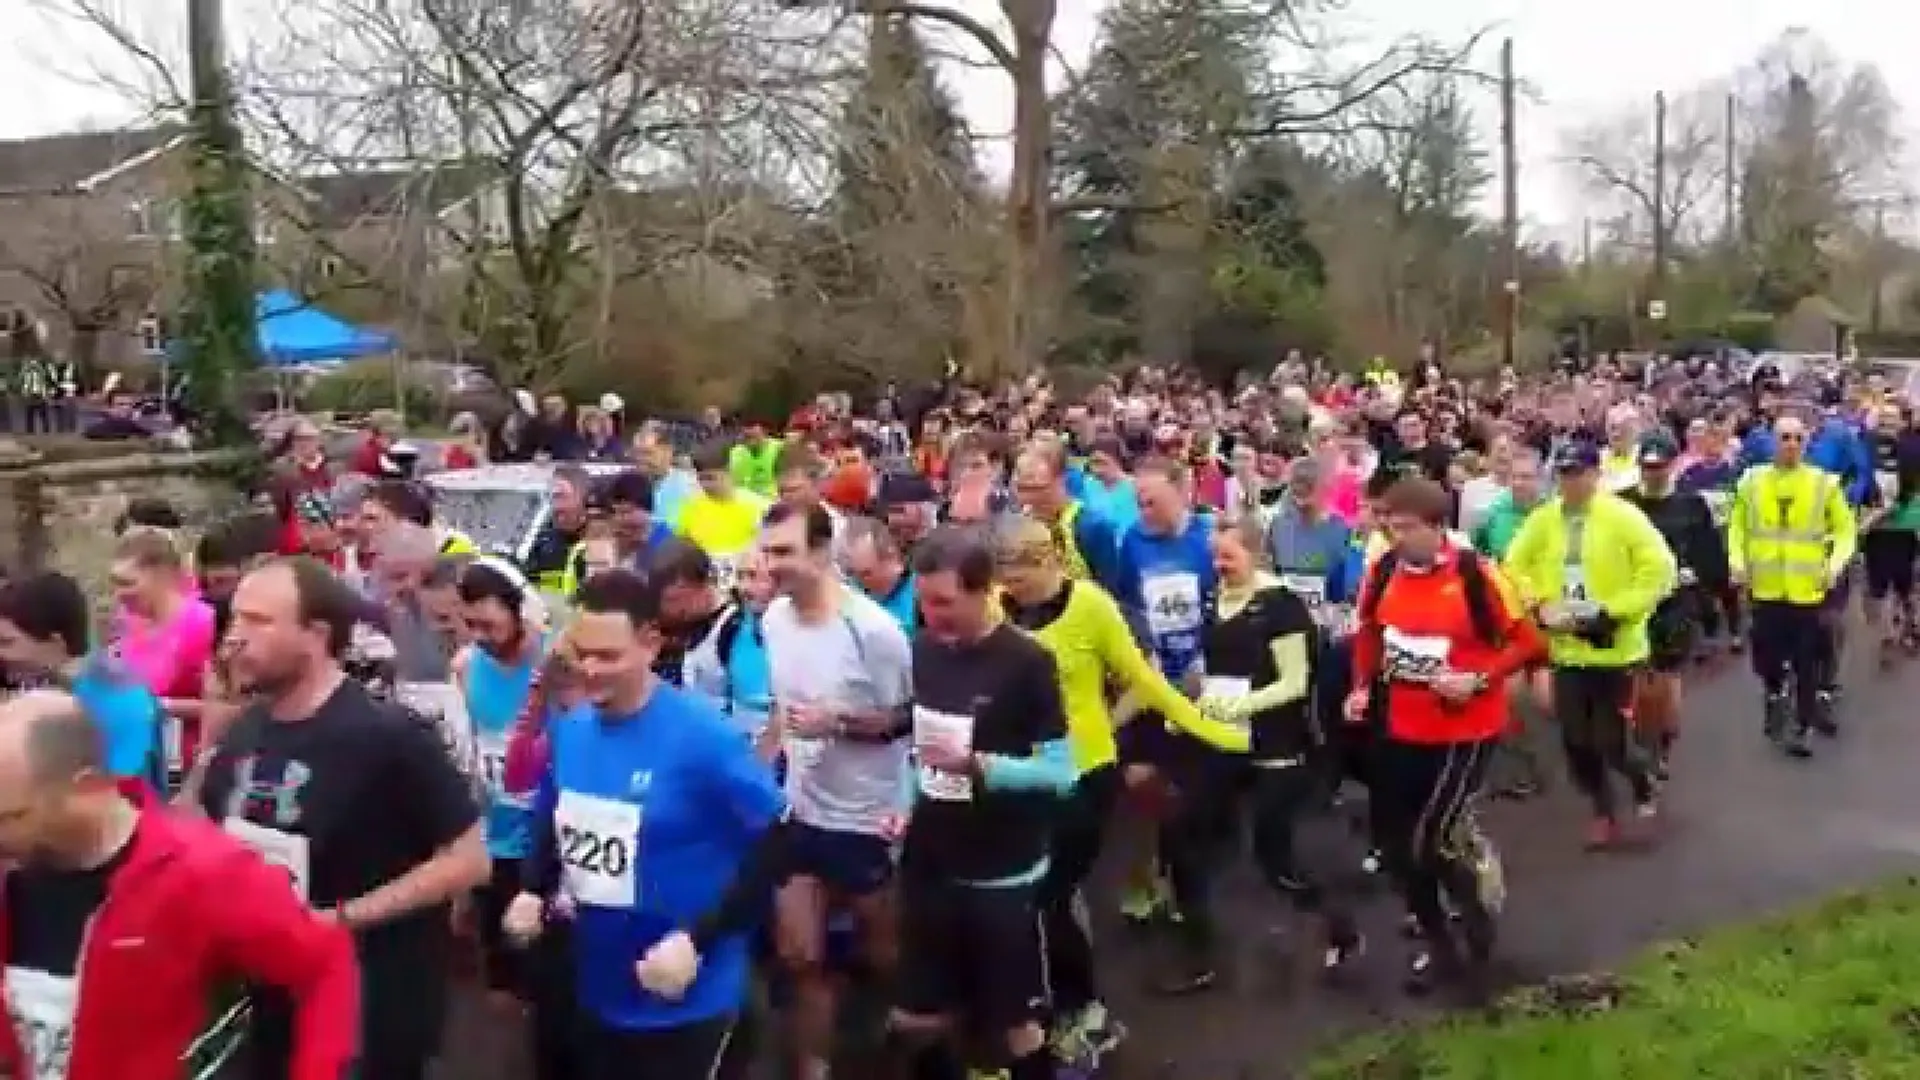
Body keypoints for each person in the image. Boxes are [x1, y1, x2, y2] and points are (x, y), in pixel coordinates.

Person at [194, 557, 490, 1080]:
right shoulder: (244, 731)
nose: (236, 637)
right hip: (275, 1001)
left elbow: (467, 862)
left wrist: (338, 919)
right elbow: (201, 834)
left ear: (316, 634)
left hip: (370, 1008)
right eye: (235, 619)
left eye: (259, 622)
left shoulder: (390, 735)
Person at [503, 569, 787, 1080]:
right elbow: (553, 815)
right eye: (581, 653)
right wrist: (531, 888)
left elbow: (776, 841)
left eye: (608, 656)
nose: (590, 670)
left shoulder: (703, 737)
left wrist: (696, 941)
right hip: (597, 987)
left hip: (688, 997)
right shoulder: (571, 731)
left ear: (650, 644)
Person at [0, 689, 359, 1080]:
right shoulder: (12, 869)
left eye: (8, 817)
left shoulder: (206, 872)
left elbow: (324, 965)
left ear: (85, 788)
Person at [1349, 478, 1544, 1000]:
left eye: (1406, 527)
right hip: (1403, 725)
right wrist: (1362, 687)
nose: (1394, 535)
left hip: (1467, 728)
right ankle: (1439, 942)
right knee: (1397, 847)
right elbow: (1368, 631)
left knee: (1429, 839)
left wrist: (1478, 679)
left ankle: (1477, 922)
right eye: (1388, 524)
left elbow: (1528, 642)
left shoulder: (1477, 575)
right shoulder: (1383, 570)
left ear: (1438, 528)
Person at [891, 526, 1074, 1080]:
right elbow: (917, 750)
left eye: (944, 602)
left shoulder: (1027, 662)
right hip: (931, 863)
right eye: (922, 601)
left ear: (983, 590)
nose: (931, 614)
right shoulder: (921, 649)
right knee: (918, 1017)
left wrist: (982, 767)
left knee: (1014, 1026)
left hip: (1002, 872)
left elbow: (1060, 773)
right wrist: (905, 805)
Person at [759, 502, 914, 1080]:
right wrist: (756, 777)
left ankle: (906, 1033)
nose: (770, 565)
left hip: (866, 816)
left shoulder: (874, 631)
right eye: (766, 551)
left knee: (881, 955)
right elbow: (784, 710)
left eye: (784, 552)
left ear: (823, 554)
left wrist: (840, 723)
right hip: (801, 811)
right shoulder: (773, 619)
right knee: (800, 957)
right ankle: (814, 1066)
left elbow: (908, 719)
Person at [1504, 442, 1675, 848]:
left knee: (1611, 741)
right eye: (1563, 474)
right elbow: (1513, 565)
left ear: (1595, 475)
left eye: (1578, 473)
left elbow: (1659, 569)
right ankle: (1602, 811)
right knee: (1576, 742)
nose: (1570, 482)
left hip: (1615, 650)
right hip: (1567, 649)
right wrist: (1538, 604)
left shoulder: (1622, 516)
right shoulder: (1544, 521)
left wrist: (1612, 611)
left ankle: (1641, 779)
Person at [1728, 413, 1859, 756]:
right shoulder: (1751, 482)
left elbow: (1846, 532)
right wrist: (1738, 564)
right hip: (1765, 587)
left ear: (1806, 444)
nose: (1791, 445)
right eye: (1784, 437)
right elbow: (1736, 528)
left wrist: (1834, 566)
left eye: (1798, 439)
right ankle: (1774, 695)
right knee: (1768, 658)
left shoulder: (1823, 484)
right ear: (1772, 441)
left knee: (1806, 661)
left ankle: (1802, 725)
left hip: (1807, 590)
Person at [0, 573, 165, 803]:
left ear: (55, 643)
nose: (2, 655)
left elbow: (123, 798)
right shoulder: (42, 690)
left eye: (6, 643)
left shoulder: (120, 700)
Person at [1620, 431, 1724, 776]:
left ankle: (1663, 742)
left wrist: (1697, 577)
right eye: (1646, 467)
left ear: (1673, 465)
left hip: (1675, 603)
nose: (1652, 473)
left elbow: (1712, 557)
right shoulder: (1622, 505)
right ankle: (1638, 741)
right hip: (1632, 603)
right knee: (1634, 678)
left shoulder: (1691, 505)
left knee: (1666, 679)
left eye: (1659, 467)